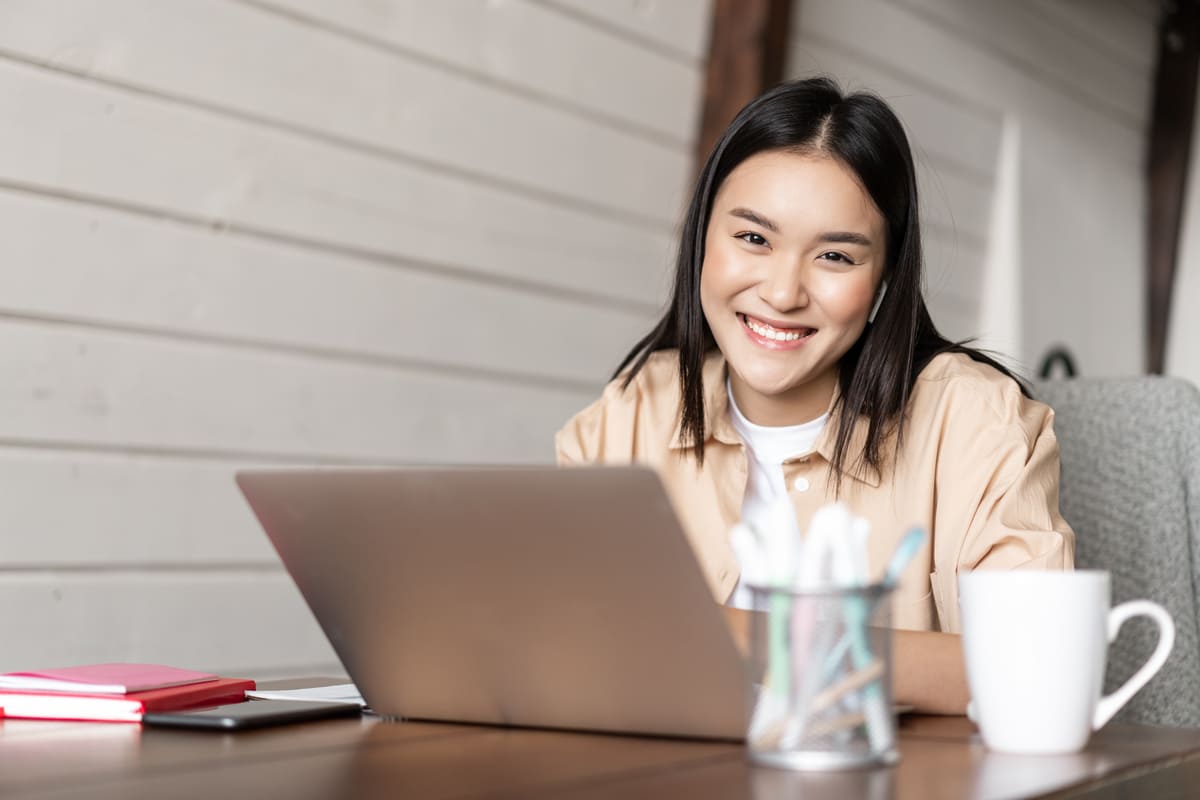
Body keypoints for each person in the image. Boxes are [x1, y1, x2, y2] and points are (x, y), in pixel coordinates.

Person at [555, 77, 1074, 714]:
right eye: (753, 239)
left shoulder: (975, 423)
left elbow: (1034, 666)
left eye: (834, 256)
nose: (782, 292)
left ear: (884, 280)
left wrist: (727, 635)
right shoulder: (631, 411)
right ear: (702, 243)